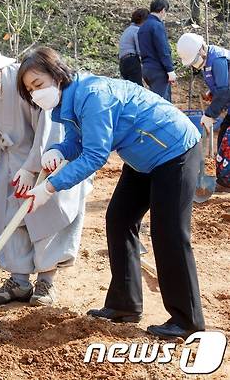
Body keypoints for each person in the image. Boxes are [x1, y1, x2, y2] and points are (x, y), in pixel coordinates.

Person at [17, 46, 205, 339]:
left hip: (174, 149)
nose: (35, 93)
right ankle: (124, 304)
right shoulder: (68, 101)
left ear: (57, 74)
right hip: (141, 155)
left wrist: (50, 187)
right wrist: (57, 150)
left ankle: (187, 320)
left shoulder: (93, 95)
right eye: (30, 90)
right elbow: (78, 142)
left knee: (169, 232)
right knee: (119, 219)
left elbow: (94, 156)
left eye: (38, 84)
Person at [0, 36, 90, 306]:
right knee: (10, 219)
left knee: (47, 219)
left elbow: (50, 122)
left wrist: (32, 166)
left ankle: (46, 282)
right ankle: (19, 281)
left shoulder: (26, 81)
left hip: (48, 156)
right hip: (11, 162)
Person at [177, 33, 230, 191]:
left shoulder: (218, 59)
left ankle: (225, 182)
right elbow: (222, 83)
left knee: (227, 142)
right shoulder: (209, 60)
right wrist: (210, 92)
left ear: (201, 49)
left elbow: (225, 89)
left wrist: (209, 114)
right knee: (222, 138)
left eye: (194, 60)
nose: (194, 64)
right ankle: (223, 179)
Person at [138, 0, 176, 101]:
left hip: (147, 69)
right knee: (163, 104)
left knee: (154, 101)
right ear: (163, 10)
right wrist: (170, 70)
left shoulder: (142, 27)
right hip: (158, 70)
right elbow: (163, 49)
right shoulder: (157, 26)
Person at [118, 8, 149, 86]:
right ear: (144, 20)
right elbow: (140, 49)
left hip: (122, 63)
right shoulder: (137, 30)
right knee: (137, 88)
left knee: (130, 88)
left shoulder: (127, 30)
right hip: (132, 61)